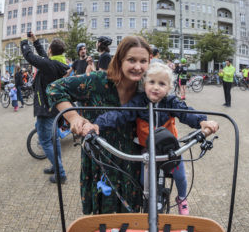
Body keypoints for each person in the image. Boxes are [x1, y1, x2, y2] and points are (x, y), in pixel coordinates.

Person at [85, 62, 219, 215]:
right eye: (152, 82)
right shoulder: (139, 102)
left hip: (170, 149)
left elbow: (184, 112)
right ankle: (147, 199)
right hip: (147, 150)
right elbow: (120, 114)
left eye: (161, 84)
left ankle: (181, 198)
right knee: (143, 181)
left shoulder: (170, 102)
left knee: (180, 176)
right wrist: (98, 124)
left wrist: (202, 121)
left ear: (169, 88)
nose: (156, 87)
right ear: (144, 84)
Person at [46, 35, 151, 214]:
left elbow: (171, 105)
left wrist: (200, 122)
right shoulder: (97, 81)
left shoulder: (146, 88)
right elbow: (54, 88)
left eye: (143, 61)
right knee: (102, 221)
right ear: (119, 60)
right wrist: (74, 118)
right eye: (131, 60)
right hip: (100, 161)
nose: (138, 66)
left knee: (131, 219)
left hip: (131, 163)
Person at [20, 31, 69, 184]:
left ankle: (60, 173)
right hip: (54, 108)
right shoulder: (59, 63)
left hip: (46, 109)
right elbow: (44, 57)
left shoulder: (50, 65)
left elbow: (30, 57)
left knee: (46, 141)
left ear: (51, 51)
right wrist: (35, 41)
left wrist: (24, 42)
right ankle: (56, 166)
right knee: (53, 140)